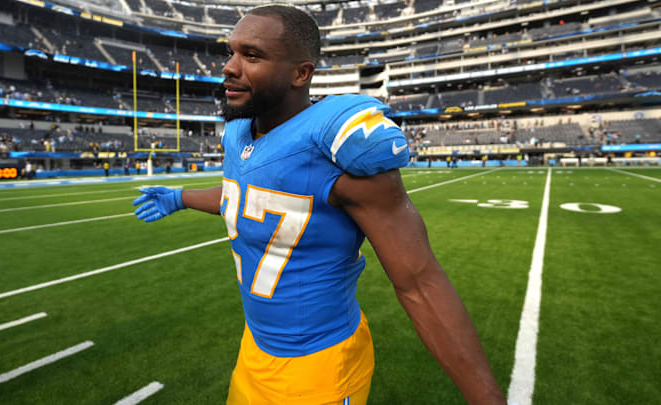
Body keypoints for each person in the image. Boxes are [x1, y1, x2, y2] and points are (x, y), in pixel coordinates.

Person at [133, 5, 504, 405]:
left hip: (319, 365)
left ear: (301, 73)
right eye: (231, 52)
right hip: (254, 348)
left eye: (252, 55)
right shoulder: (239, 130)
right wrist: (180, 197)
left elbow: (419, 283)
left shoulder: (336, 146)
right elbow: (245, 198)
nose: (229, 67)